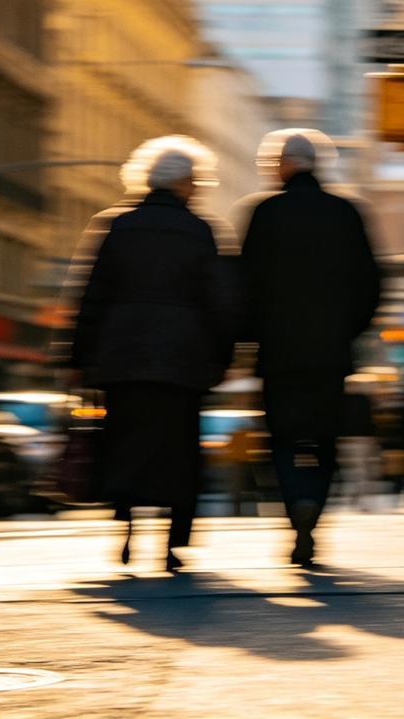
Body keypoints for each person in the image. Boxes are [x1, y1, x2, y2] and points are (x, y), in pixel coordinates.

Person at [70, 145, 234, 572]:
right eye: (195, 182)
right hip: (182, 362)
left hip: (122, 357)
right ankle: (172, 542)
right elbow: (220, 300)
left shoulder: (116, 227)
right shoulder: (201, 231)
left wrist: (77, 356)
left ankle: (125, 528)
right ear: (183, 184)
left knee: (125, 440)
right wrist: (223, 354)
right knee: (178, 449)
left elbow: (91, 296)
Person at [240, 130, 381, 568]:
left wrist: (251, 337)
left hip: (278, 356)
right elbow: (373, 283)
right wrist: (349, 331)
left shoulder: (263, 214)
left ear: (281, 165)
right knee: (323, 439)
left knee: (281, 439)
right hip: (330, 355)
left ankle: (294, 511)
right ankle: (312, 513)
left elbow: (243, 285)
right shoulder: (346, 213)